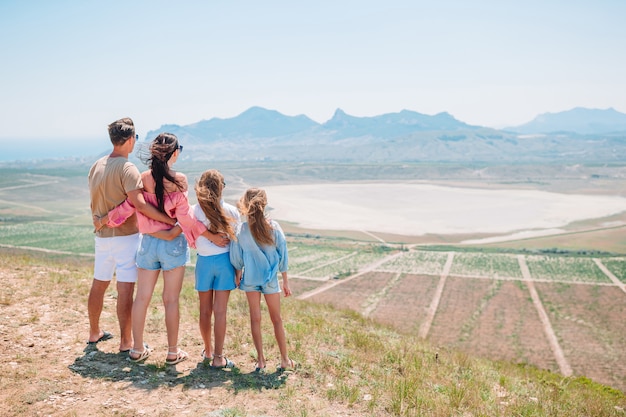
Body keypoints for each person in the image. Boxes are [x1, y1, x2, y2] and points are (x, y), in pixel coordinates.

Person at [100, 133, 224, 365]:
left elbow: (131, 205)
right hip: (173, 247)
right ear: (175, 153)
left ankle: (137, 350)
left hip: (147, 244)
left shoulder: (144, 178)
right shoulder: (180, 180)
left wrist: (107, 219)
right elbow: (185, 219)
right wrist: (210, 236)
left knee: (142, 298)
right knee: (171, 300)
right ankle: (172, 352)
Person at [88, 117, 176, 353]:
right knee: (125, 289)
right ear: (129, 140)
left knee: (99, 284)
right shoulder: (128, 168)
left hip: (102, 236)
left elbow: (93, 203)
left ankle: (94, 331)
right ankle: (126, 342)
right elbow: (139, 204)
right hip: (126, 236)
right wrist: (168, 220)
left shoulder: (96, 166)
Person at [229, 188, 296, 373]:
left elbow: (237, 258)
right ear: (264, 204)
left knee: (255, 319)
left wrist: (237, 273)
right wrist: (286, 281)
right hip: (270, 280)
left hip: (250, 279)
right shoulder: (274, 227)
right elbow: (283, 255)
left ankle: (260, 361)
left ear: (245, 204)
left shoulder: (242, 230)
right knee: (277, 320)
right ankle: (284, 359)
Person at [193, 169, 240, 368]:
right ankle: (219, 358)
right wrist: (238, 270)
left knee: (205, 311)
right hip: (225, 263)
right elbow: (237, 244)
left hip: (203, 263)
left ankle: (208, 350)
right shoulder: (231, 211)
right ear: (221, 188)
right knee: (220, 312)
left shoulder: (194, 210)